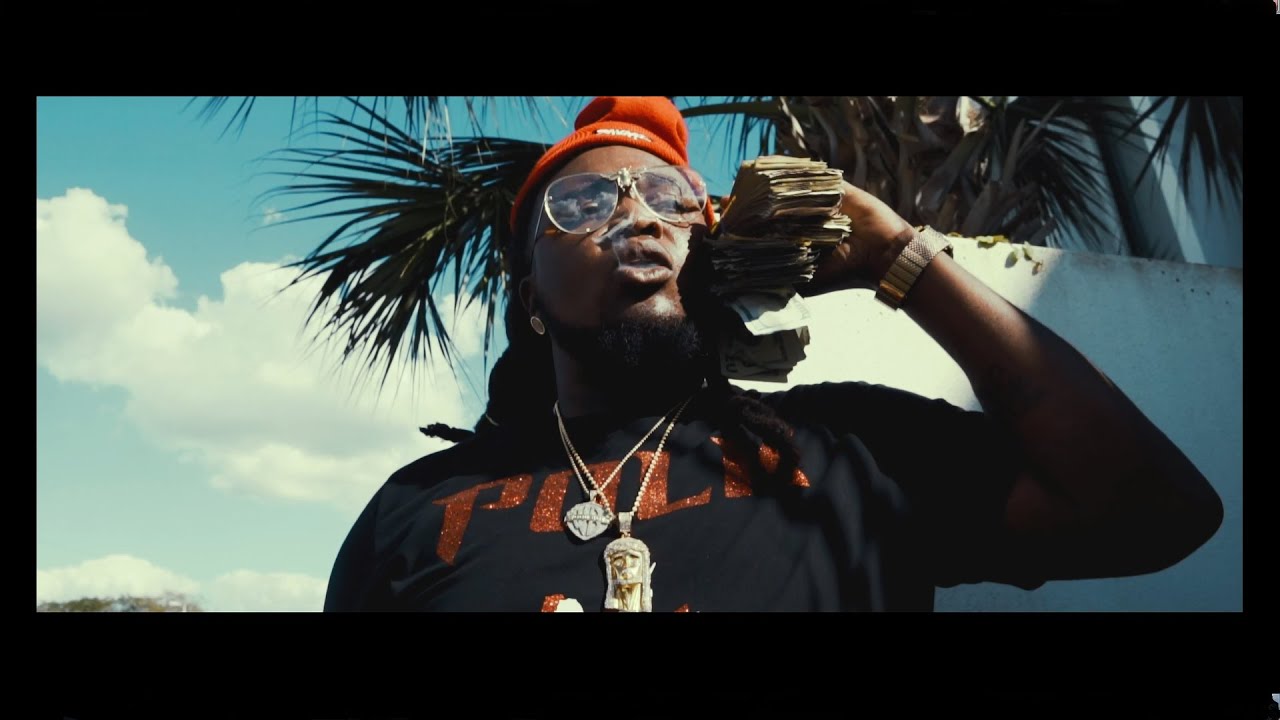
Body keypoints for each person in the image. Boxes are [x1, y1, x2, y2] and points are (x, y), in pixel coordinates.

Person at [323, 96, 1223, 612]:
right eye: (586, 204)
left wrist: (900, 260)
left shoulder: (857, 448)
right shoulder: (413, 509)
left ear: (712, 250)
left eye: (671, 198)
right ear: (528, 300)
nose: (638, 216)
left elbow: (1156, 510)